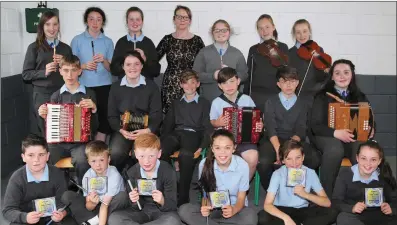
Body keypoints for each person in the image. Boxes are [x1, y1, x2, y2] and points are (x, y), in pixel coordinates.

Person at [310, 59, 375, 197]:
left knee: (363, 149)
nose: (342, 76)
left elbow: (369, 119)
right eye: (337, 73)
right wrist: (335, 133)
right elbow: (315, 126)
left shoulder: (360, 96)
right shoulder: (322, 96)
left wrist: (371, 128)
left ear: (352, 75)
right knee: (334, 150)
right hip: (326, 136)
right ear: (332, 76)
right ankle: (324, 196)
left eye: (346, 72)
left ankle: (365, 194)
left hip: (352, 137)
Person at [257, 66, 321, 190]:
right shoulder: (270, 102)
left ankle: (300, 189)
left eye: (292, 81)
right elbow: (270, 128)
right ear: (278, 84)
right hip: (273, 140)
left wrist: (290, 149)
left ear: (297, 83)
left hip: (294, 140)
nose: (288, 85)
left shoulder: (303, 104)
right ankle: (274, 191)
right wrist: (278, 151)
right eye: (284, 81)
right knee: (264, 162)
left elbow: (301, 128)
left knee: (314, 159)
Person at [178, 129, 258, 225]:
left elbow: (241, 197)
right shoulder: (204, 164)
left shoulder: (242, 165)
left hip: (234, 208)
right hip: (213, 208)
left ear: (234, 148)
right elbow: (205, 194)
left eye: (227, 148)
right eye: (218, 148)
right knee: (184, 210)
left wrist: (234, 209)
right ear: (212, 149)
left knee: (251, 217)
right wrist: (205, 207)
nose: (222, 152)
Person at [38, 55, 95, 184]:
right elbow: (51, 125)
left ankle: (84, 191)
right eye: (66, 70)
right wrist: (44, 115)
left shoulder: (89, 94)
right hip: (59, 142)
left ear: (80, 71)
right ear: (60, 71)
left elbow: (96, 125)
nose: (70, 75)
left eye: (74, 70)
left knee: (82, 160)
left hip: (81, 143)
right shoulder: (56, 96)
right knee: (47, 157)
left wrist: (94, 108)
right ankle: (58, 190)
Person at [160, 69, 213, 206]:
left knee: (185, 155)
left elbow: (208, 128)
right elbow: (167, 126)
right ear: (181, 85)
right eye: (185, 83)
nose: (189, 86)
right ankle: (164, 189)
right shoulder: (176, 102)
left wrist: (202, 147)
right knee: (163, 149)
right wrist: (161, 142)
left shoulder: (204, 103)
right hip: (177, 133)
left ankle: (183, 197)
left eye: (192, 83)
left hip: (194, 134)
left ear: (198, 84)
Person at [258, 140, 338, 225]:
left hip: (303, 211)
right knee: (263, 217)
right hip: (282, 210)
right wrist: (286, 218)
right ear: (283, 160)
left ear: (303, 157)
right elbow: (267, 205)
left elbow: (327, 202)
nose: (294, 163)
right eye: (289, 159)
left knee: (332, 212)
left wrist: (305, 194)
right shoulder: (278, 174)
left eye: (298, 158)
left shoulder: (310, 173)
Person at [108, 133, 181, 225]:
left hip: (163, 213)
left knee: (173, 221)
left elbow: (173, 204)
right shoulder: (132, 173)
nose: (146, 161)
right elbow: (135, 207)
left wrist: (162, 200)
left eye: (151, 156)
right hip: (141, 212)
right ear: (136, 154)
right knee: (114, 218)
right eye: (142, 156)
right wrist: (134, 200)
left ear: (159, 154)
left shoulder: (168, 171)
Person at [2, 134, 76, 225]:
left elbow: (65, 204)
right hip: (27, 218)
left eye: (41, 155)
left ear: (48, 156)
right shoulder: (17, 178)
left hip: (53, 219)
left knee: (70, 221)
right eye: (30, 155)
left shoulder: (57, 174)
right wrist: (25, 217)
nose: (36, 160)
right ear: (23, 157)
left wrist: (62, 213)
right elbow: (8, 210)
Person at [108, 50, 162, 172]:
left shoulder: (152, 87)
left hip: (146, 130)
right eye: (128, 64)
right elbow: (112, 115)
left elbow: (157, 114)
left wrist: (147, 130)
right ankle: (120, 183)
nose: (132, 68)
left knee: (140, 155)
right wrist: (121, 130)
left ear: (142, 66)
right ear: (123, 67)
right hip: (123, 131)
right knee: (116, 153)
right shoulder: (115, 87)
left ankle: (138, 184)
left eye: (136, 64)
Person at [22, 10, 73, 137]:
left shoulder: (66, 48)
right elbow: (26, 75)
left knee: (65, 132)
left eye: (55, 24)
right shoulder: (34, 47)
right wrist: (43, 72)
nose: (52, 28)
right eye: (48, 24)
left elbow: (75, 71)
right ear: (42, 27)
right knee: (48, 133)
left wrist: (65, 63)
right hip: (42, 95)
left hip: (63, 93)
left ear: (59, 26)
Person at [210, 67, 263, 179]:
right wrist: (218, 122)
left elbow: (256, 118)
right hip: (224, 140)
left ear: (238, 81)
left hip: (245, 139)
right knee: (224, 157)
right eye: (224, 83)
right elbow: (212, 122)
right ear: (220, 86)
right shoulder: (216, 102)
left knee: (253, 157)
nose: (229, 86)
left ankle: (243, 188)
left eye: (232, 81)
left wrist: (259, 125)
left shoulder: (247, 99)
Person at [70, 7, 114, 142]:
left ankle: (99, 148)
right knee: (84, 120)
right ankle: (85, 149)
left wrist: (104, 60)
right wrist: (83, 66)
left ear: (103, 22)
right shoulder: (77, 40)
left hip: (104, 86)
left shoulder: (108, 41)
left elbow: (112, 69)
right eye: (91, 19)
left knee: (103, 119)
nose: (95, 23)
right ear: (86, 21)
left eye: (99, 19)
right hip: (84, 86)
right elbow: (71, 65)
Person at [61, 140, 128, 225]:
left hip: (111, 204)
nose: (98, 165)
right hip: (97, 208)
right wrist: (92, 203)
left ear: (109, 159)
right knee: (68, 195)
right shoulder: (87, 176)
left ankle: (93, 221)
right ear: (88, 162)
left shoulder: (114, 174)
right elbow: (88, 207)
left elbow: (105, 205)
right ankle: (96, 220)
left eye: (101, 160)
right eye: (93, 161)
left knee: (122, 196)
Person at [332, 140, 397, 225]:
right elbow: (336, 201)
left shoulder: (384, 174)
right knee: (343, 218)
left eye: (373, 160)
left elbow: (394, 198)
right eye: (363, 158)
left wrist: (391, 208)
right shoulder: (345, 174)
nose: (368, 163)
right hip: (357, 216)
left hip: (379, 214)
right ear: (357, 158)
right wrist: (352, 208)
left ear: (379, 161)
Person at [156, 5, 205, 114]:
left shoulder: (197, 40)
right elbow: (153, 59)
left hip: (190, 85)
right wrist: (142, 56)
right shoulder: (167, 39)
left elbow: (204, 62)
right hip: (170, 85)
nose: (182, 20)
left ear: (190, 21)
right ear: (174, 19)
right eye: (179, 17)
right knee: (170, 117)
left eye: (185, 17)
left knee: (191, 115)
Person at [193, 19, 248, 102]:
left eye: (224, 30)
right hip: (209, 99)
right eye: (217, 30)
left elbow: (244, 75)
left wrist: (232, 74)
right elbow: (196, 75)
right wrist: (213, 76)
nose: (220, 33)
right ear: (212, 33)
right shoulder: (204, 52)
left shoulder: (237, 53)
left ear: (229, 32)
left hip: (233, 101)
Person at [243, 14, 289, 111]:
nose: (264, 31)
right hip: (257, 95)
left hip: (276, 94)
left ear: (273, 27)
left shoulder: (283, 47)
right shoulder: (253, 49)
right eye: (260, 28)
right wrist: (246, 96)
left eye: (267, 27)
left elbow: (286, 72)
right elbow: (249, 75)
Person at [111, 6, 160, 80]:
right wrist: (126, 61)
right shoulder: (121, 42)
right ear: (127, 22)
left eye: (138, 19)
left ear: (142, 22)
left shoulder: (148, 43)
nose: (135, 22)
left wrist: (145, 59)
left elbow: (156, 72)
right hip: (125, 88)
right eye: (131, 19)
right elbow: (114, 70)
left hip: (145, 88)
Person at [288, 19, 330, 104]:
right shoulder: (290, 53)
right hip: (297, 94)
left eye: (305, 31)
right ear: (294, 35)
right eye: (298, 32)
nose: (302, 35)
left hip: (314, 94)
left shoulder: (318, 50)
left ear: (309, 32)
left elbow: (321, 76)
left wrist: (326, 71)